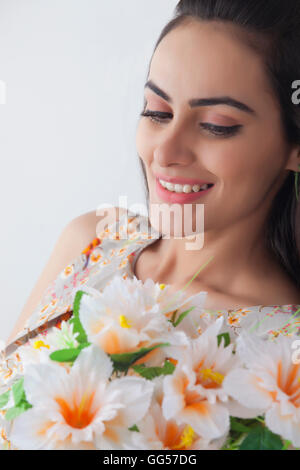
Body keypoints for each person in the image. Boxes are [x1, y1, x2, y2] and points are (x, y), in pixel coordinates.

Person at [3, 0, 300, 381]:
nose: (164, 151)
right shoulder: (93, 242)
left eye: (216, 125)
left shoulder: (283, 355)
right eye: (157, 112)